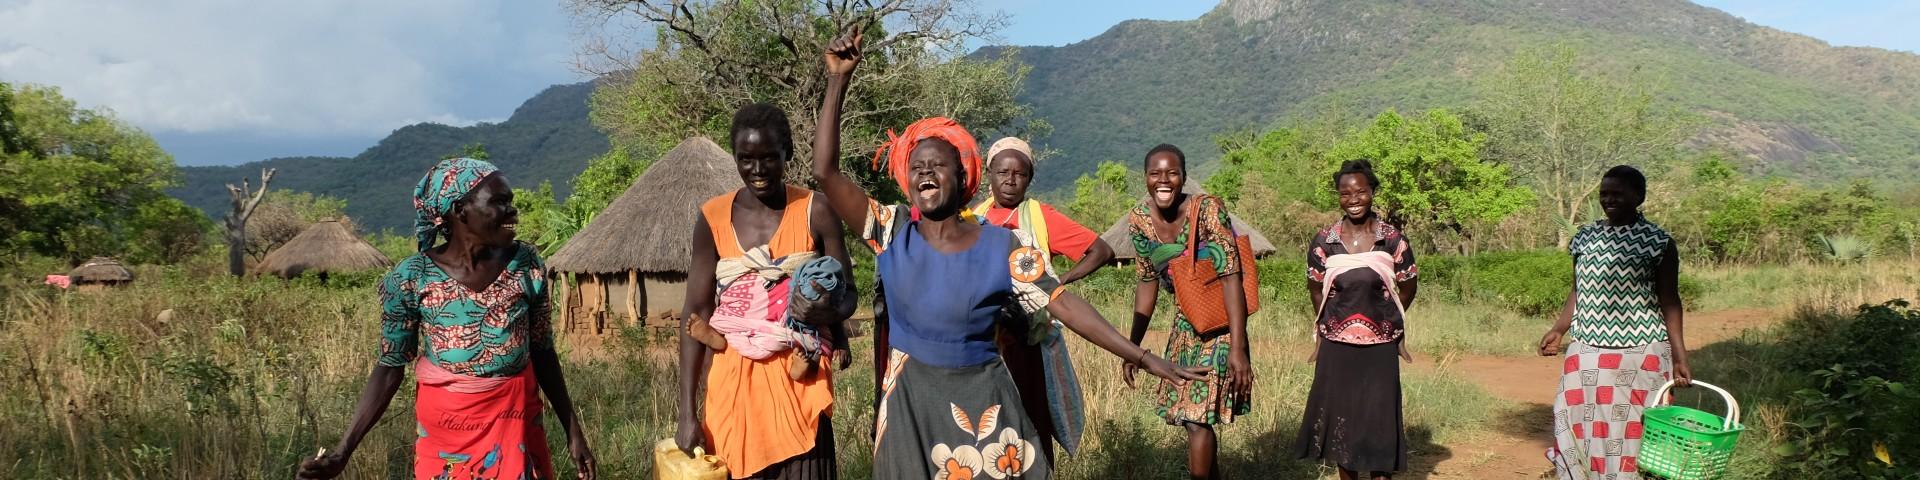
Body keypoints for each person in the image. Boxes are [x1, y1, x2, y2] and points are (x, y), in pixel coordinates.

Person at [809, 27, 1207, 479]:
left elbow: (1062, 303)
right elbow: (826, 170)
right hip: (911, 405)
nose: (925, 171)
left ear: (962, 177)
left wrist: (1141, 356)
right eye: (917, 166)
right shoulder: (890, 229)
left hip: (984, 406)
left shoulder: (1004, 246)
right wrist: (837, 79)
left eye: (937, 165)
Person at [299, 158, 596, 480]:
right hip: (446, 436)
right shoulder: (412, 278)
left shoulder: (526, 264)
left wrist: (573, 432)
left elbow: (542, 351)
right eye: (499, 202)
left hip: (517, 424)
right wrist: (343, 452)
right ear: (460, 210)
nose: (513, 211)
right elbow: (389, 368)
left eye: (510, 201)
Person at [672, 103, 857, 480]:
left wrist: (821, 312)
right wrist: (687, 413)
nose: (757, 171)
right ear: (735, 157)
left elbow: (849, 295)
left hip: (800, 382)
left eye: (770, 158)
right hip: (732, 387)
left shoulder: (815, 210)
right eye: (747, 159)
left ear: (787, 153)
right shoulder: (713, 217)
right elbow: (695, 312)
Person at [1537, 165, 1690, 480]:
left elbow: (1670, 301)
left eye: (1618, 193)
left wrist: (1679, 356)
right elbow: (1578, 287)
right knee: (1571, 414)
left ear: (1639, 196)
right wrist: (1559, 328)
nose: (1609, 200)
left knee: (1629, 425)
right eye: (1604, 194)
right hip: (1586, 346)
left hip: (1640, 350)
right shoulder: (1585, 237)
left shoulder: (1658, 242)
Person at [971, 136, 1116, 461]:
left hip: (1027, 342)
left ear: (1029, 179)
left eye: (1019, 173)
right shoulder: (973, 218)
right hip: (981, 343)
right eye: (1002, 172)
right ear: (989, 174)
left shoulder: (1039, 216)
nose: (1010, 179)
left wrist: (1060, 281)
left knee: (1029, 424)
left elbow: (1101, 250)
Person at [1123, 144, 1254, 480]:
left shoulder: (1208, 209)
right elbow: (1147, 282)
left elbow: (1231, 277)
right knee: (1193, 421)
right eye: (1155, 173)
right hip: (1185, 325)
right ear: (1146, 178)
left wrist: (1238, 349)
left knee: (1197, 420)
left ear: (1184, 177)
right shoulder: (1139, 220)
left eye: (1172, 173)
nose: (1163, 180)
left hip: (1223, 325)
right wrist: (1132, 348)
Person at [1294, 160, 1418, 480]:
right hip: (1337, 347)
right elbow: (1315, 289)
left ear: (1372, 193)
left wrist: (1389, 320)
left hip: (1380, 348)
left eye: (1361, 192)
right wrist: (1326, 329)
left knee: (1379, 419)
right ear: (1338, 196)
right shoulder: (1325, 241)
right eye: (1345, 193)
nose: (1353, 199)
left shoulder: (1391, 239)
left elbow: (1407, 284)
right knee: (1342, 420)